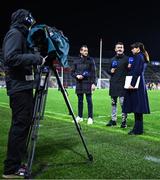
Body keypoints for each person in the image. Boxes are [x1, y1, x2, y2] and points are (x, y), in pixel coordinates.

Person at [2, 9, 45, 178]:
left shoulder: (21, 35)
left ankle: (16, 162)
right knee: (20, 125)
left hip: (23, 86)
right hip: (19, 88)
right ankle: (11, 168)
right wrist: (35, 58)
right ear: (24, 20)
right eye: (29, 20)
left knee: (23, 124)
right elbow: (10, 58)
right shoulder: (14, 34)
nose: (31, 23)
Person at [122, 42, 150, 135]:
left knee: (137, 108)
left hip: (136, 85)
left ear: (138, 48)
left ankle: (137, 130)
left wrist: (132, 84)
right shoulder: (141, 56)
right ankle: (138, 129)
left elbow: (138, 71)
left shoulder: (138, 57)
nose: (132, 50)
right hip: (139, 84)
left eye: (133, 48)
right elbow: (136, 70)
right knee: (137, 108)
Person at [71, 45, 96, 125]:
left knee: (89, 101)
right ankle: (80, 117)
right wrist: (77, 76)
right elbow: (72, 72)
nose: (86, 52)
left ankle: (90, 117)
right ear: (80, 51)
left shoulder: (91, 60)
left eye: (87, 51)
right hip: (79, 83)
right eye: (84, 50)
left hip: (88, 83)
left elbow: (93, 73)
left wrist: (94, 83)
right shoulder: (76, 61)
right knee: (80, 101)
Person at [106, 42, 129, 128]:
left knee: (123, 104)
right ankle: (113, 120)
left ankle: (124, 121)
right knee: (113, 103)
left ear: (123, 49)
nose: (119, 49)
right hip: (114, 84)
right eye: (118, 47)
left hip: (123, 85)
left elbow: (130, 71)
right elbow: (108, 70)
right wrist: (110, 71)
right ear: (115, 49)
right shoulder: (112, 60)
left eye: (121, 47)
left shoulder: (127, 59)